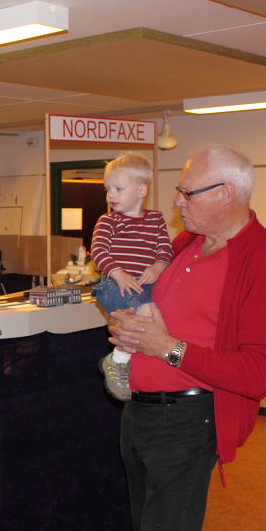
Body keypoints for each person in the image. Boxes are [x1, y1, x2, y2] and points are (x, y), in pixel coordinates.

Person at [107, 144, 266, 531]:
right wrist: (132, 329)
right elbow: (164, 318)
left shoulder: (264, 261)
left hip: (187, 424)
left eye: (188, 193)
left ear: (227, 193)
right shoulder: (187, 243)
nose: (177, 202)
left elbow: (258, 373)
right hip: (140, 415)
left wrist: (167, 348)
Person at [91, 153, 174, 400]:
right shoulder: (108, 221)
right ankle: (118, 360)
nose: (111, 195)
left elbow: (165, 248)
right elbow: (98, 252)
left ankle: (121, 361)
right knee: (148, 314)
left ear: (141, 190)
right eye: (107, 189)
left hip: (141, 286)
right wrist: (118, 273)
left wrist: (158, 267)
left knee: (148, 320)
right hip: (114, 286)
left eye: (118, 188)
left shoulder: (156, 219)